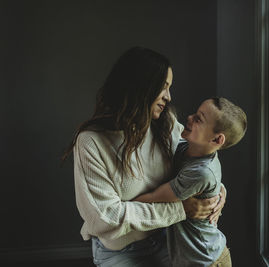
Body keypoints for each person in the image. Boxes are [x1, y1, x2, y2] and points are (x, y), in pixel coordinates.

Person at [61, 47, 226, 267]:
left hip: (170, 240)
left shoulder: (164, 124)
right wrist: (181, 210)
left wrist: (216, 192)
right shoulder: (91, 142)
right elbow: (105, 217)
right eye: (164, 87)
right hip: (121, 251)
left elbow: (200, 158)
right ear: (141, 87)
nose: (169, 97)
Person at [134, 97, 247, 267]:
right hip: (191, 258)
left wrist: (124, 204)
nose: (189, 117)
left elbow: (155, 197)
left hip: (206, 260)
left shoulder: (201, 172)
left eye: (198, 119)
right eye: (195, 113)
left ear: (217, 140)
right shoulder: (185, 148)